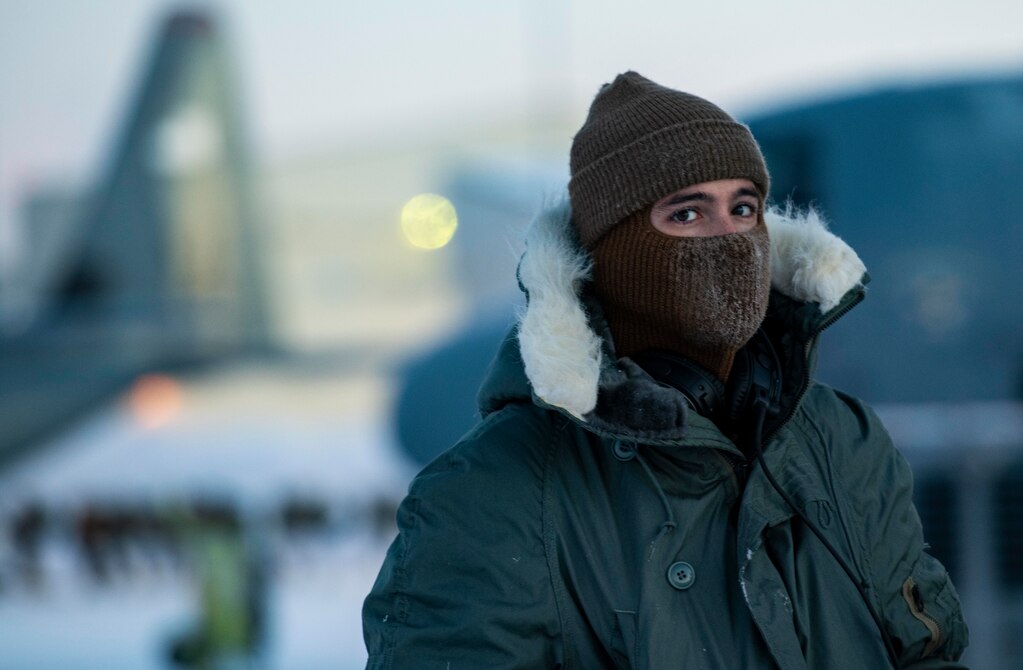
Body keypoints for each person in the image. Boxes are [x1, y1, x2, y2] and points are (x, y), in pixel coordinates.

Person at [362, 71, 969, 668]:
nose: (731, 239)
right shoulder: (495, 495)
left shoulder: (842, 440)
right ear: (616, 251)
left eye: (745, 208)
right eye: (686, 214)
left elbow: (927, 655)